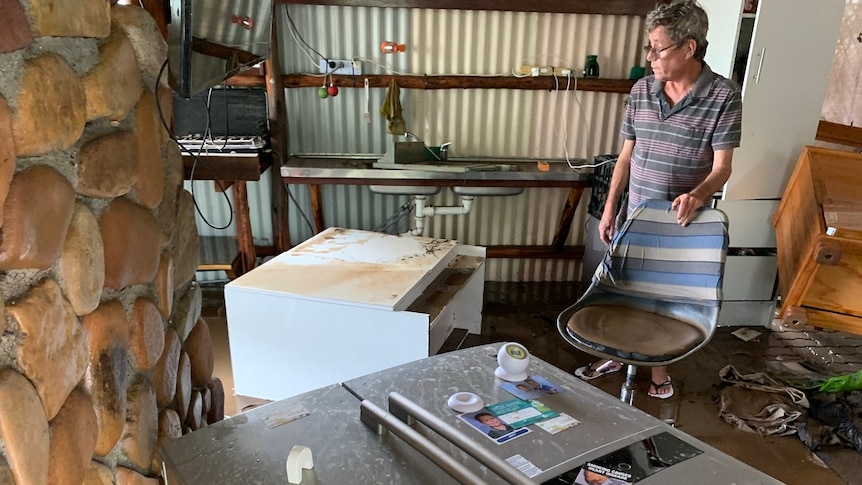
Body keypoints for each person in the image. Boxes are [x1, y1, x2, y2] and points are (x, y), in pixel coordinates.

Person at [574, 0, 742, 400]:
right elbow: (626, 158)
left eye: (658, 48)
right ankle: (616, 354)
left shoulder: (723, 97)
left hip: (683, 222)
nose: (650, 57)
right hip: (636, 215)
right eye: (648, 47)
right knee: (625, 289)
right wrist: (610, 209)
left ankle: (656, 370)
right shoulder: (641, 91)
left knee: (664, 300)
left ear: (689, 47)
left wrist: (698, 194)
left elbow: (723, 168)